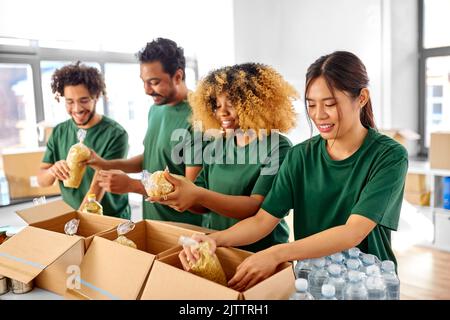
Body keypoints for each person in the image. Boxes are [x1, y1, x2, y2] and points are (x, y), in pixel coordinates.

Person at [180, 51, 408, 291]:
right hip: (312, 280)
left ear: (361, 98)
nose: (319, 115)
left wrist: (277, 253)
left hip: (366, 284)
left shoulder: (388, 156)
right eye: (311, 105)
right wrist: (213, 240)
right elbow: (262, 220)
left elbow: (352, 233)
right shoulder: (300, 156)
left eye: (330, 104)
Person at [149, 63, 298, 252]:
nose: (222, 113)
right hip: (217, 247)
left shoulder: (277, 147)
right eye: (217, 105)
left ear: (255, 104)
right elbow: (202, 205)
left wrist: (198, 195)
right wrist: (180, 195)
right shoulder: (218, 145)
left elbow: (255, 207)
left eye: (232, 104)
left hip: (261, 253)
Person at [86, 38, 204, 225]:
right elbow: (152, 157)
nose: (147, 90)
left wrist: (131, 185)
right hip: (152, 221)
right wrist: (106, 164)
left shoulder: (199, 116)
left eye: (154, 82)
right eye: (144, 82)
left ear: (178, 76)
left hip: (185, 230)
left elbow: (191, 192)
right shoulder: (156, 109)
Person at [37, 62, 130, 219]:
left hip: (109, 219)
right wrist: (53, 170)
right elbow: (42, 180)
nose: (77, 108)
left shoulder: (115, 134)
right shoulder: (59, 131)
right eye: (70, 101)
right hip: (74, 219)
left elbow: (98, 184)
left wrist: (77, 221)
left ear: (96, 97)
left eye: (84, 100)